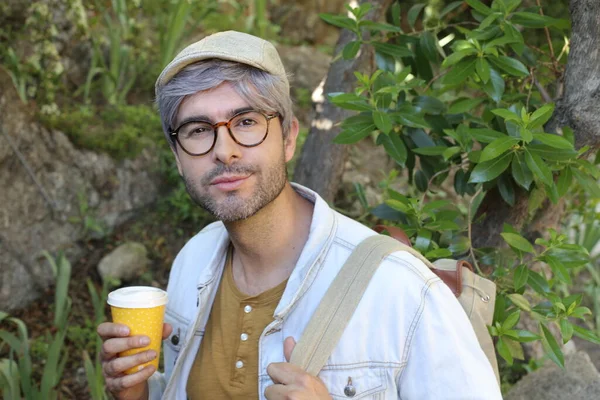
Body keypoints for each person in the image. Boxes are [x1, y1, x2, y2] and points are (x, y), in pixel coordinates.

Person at [97, 30, 502, 400]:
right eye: (198, 130)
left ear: (289, 138)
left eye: (247, 122)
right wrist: (138, 393)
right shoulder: (192, 263)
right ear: (179, 157)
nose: (224, 150)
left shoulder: (402, 291)